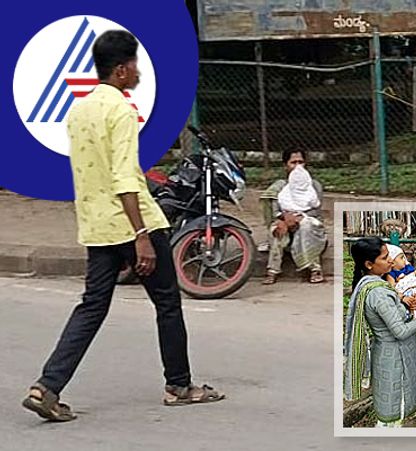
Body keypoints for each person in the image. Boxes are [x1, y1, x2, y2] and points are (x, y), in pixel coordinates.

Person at [22, 31, 223, 422]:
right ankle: (179, 386)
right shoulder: (121, 110)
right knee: (167, 303)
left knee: (92, 306)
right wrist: (141, 236)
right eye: (133, 65)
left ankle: (47, 385)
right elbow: (125, 178)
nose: (137, 72)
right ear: (119, 70)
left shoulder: (78, 111)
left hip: (96, 226)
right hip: (133, 224)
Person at [344, 237, 416, 427]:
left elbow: (390, 314)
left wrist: (404, 303)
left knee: (391, 413)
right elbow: (399, 331)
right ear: (369, 264)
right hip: (395, 359)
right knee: (394, 414)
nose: (390, 260)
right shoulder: (379, 294)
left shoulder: (368, 285)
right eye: (385, 257)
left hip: (386, 354)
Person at [261, 149, 327, 285]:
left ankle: (315, 269)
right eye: (293, 162)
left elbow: (316, 211)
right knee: (276, 229)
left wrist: (299, 217)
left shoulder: (314, 186)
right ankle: (272, 271)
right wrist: (284, 219)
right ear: (286, 166)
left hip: (306, 222)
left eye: (300, 162)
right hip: (284, 221)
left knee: (307, 226)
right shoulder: (279, 187)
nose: (297, 166)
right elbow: (274, 211)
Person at [386, 244, 416, 340]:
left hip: (414, 290)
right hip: (405, 293)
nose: (405, 260)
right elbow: (391, 287)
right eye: (401, 258)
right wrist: (397, 282)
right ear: (392, 263)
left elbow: (415, 272)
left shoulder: (408, 268)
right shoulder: (392, 274)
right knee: (411, 309)